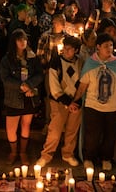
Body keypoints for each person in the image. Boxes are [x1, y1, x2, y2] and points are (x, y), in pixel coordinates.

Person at [72, 33, 116, 171]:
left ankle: (106, 158)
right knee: (92, 135)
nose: (109, 48)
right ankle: (89, 158)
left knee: (111, 135)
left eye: (111, 45)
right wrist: (74, 101)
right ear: (98, 47)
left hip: (113, 106)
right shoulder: (90, 63)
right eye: (106, 46)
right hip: (93, 106)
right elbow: (82, 86)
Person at [36, 36, 83, 167]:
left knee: (72, 130)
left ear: (76, 50)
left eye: (70, 49)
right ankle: (46, 155)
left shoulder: (80, 62)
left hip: (76, 100)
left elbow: (83, 81)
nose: (66, 51)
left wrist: (77, 100)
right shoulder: (56, 62)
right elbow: (54, 85)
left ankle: (68, 154)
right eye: (65, 48)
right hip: (59, 101)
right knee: (55, 131)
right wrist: (68, 101)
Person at [0, 29, 44, 165]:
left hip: (29, 97)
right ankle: (13, 152)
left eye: (24, 39)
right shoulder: (7, 59)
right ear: (14, 42)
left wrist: (29, 85)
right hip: (13, 98)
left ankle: (23, 152)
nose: (23, 42)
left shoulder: (32, 57)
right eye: (19, 40)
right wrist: (20, 85)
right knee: (11, 128)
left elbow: (40, 74)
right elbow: (5, 79)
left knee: (26, 124)